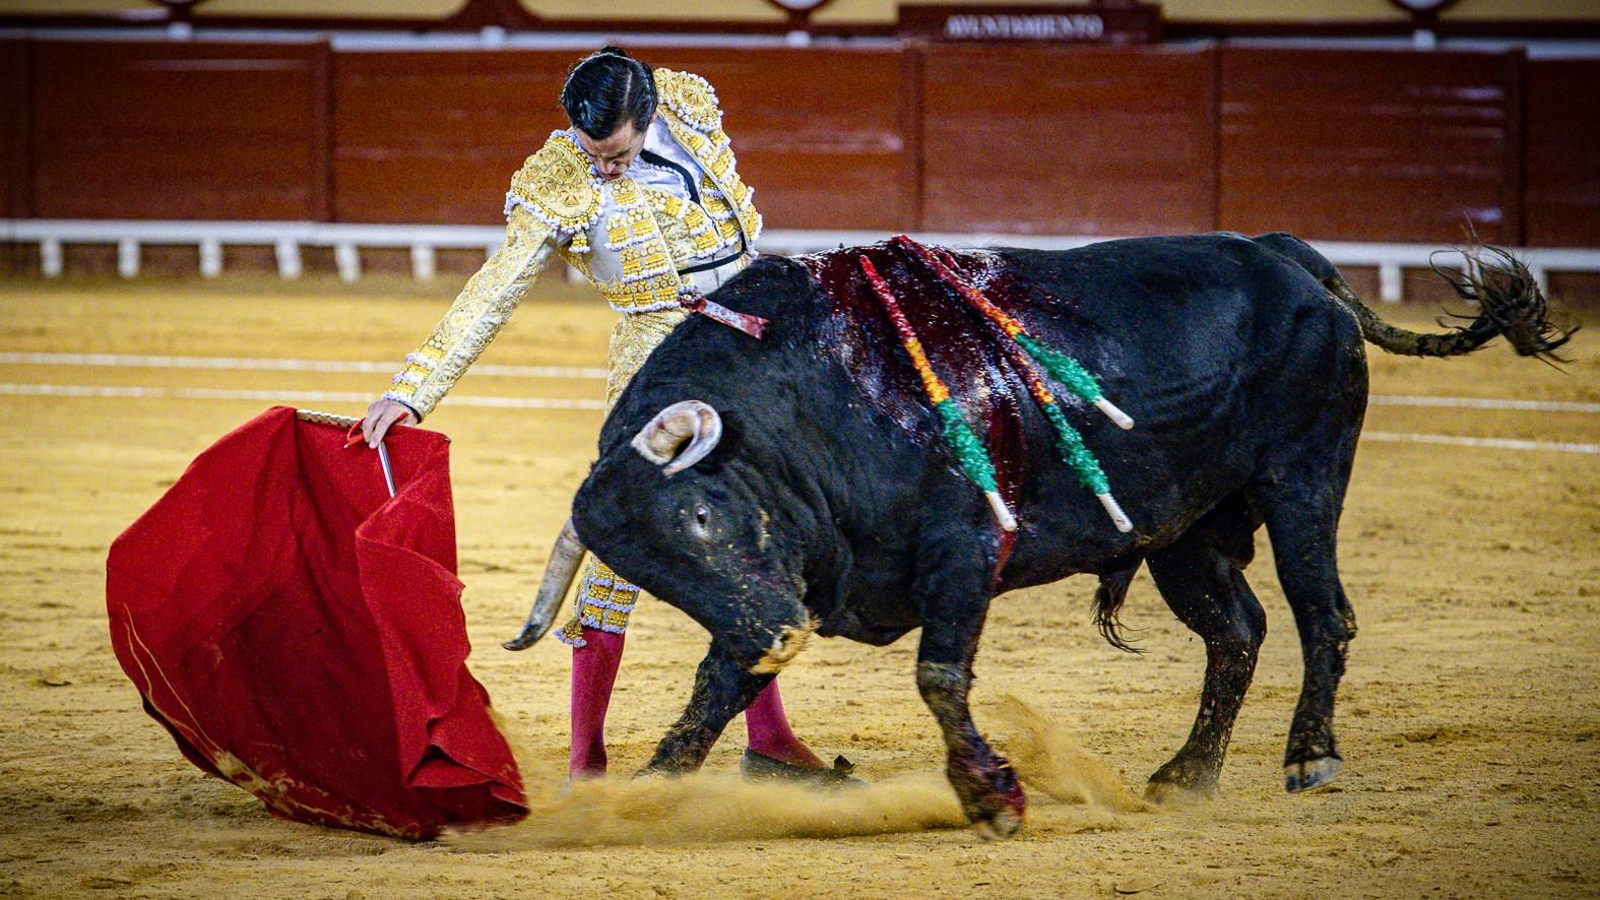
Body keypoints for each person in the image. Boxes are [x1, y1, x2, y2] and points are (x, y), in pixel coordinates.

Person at [362, 46, 850, 785]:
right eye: (593, 153)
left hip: (752, 348)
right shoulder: (559, 179)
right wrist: (413, 389)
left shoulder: (687, 104)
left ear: (648, 115)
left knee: (758, 532)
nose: (605, 168)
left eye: (616, 153)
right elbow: (496, 287)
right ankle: (586, 761)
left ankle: (771, 739)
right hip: (661, 361)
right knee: (621, 544)